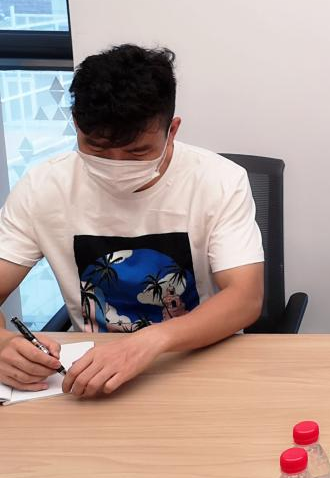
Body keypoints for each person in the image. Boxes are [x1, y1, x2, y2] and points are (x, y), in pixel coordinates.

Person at [0, 45, 265, 397]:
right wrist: (3, 343)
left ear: (172, 130)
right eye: (97, 148)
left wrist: (148, 342)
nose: (116, 164)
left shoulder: (219, 180)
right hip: (91, 375)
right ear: (76, 124)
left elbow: (245, 297)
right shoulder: (42, 188)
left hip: (198, 361)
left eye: (137, 152)